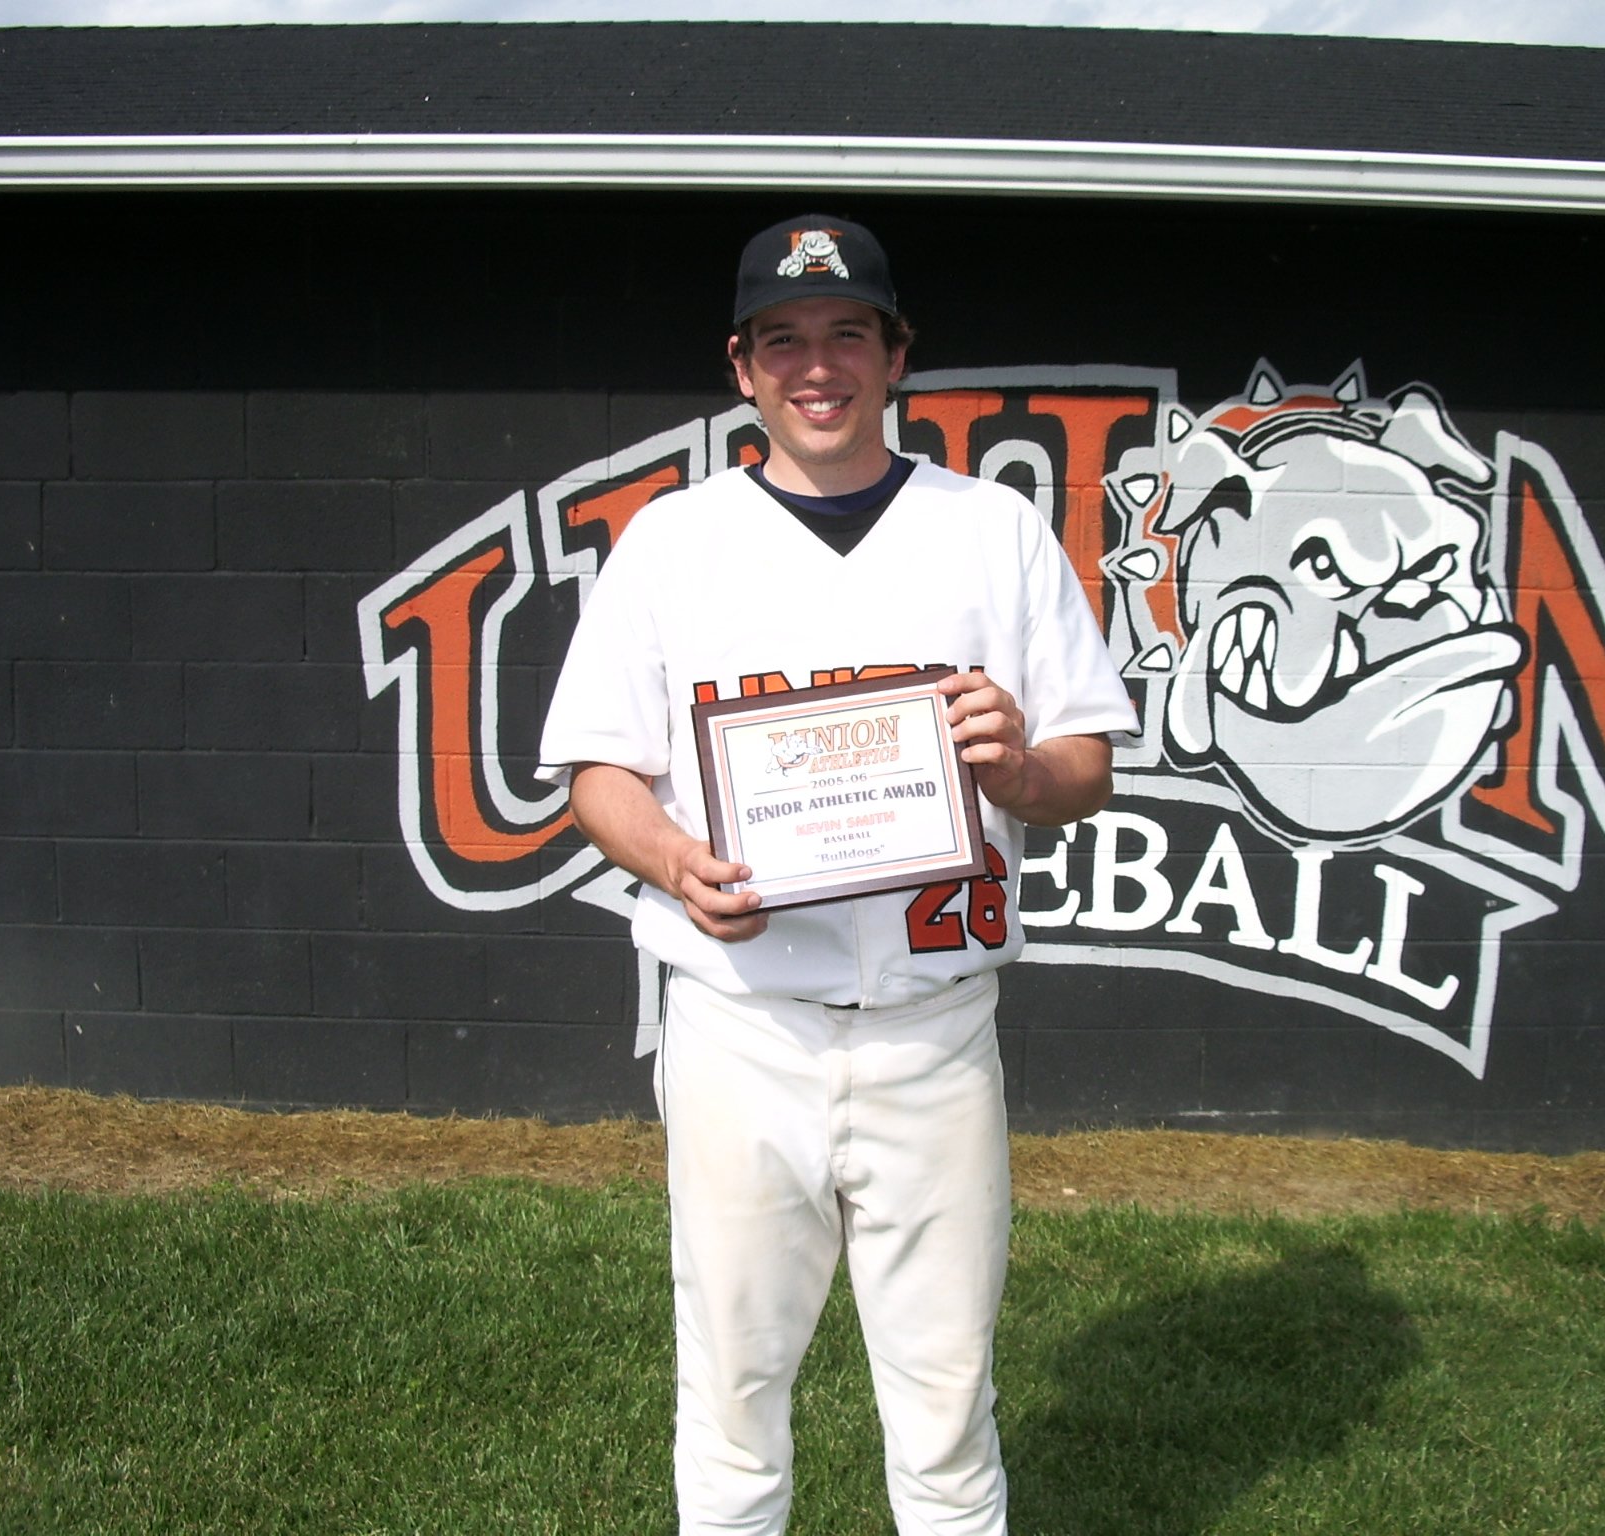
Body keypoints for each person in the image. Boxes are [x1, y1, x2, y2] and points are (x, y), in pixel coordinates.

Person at [538, 213, 1136, 1535]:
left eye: (849, 334)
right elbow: (597, 773)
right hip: (742, 1025)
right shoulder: (672, 542)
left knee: (947, 1409)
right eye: (785, 340)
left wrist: (1019, 772)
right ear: (742, 368)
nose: (819, 367)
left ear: (898, 354)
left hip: (936, 1026)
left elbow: (1088, 766)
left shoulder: (994, 531)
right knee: (733, 1397)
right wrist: (676, 861)